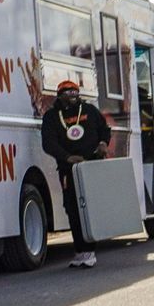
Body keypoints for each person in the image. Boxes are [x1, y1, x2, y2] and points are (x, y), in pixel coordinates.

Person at [39, 79, 112, 268]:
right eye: (67, 93)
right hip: (68, 170)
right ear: (59, 95)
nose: (71, 96)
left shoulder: (89, 111)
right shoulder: (52, 117)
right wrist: (67, 157)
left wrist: (103, 143)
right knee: (72, 208)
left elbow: (104, 129)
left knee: (90, 207)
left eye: (74, 92)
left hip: (92, 166)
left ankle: (90, 250)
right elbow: (48, 143)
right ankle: (80, 251)